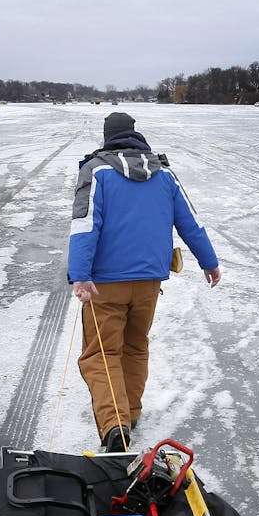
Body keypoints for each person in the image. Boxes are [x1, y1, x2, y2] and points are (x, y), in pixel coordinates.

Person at [68, 111, 220, 452]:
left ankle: (115, 425)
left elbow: (84, 222)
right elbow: (191, 223)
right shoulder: (164, 173)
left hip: (106, 283)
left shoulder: (96, 170)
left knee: (102, 354)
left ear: (108, 137)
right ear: (136, 135)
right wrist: (210, 263)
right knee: (135, 346)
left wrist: (80, 274)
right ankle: (130, 413)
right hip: (149, 282)